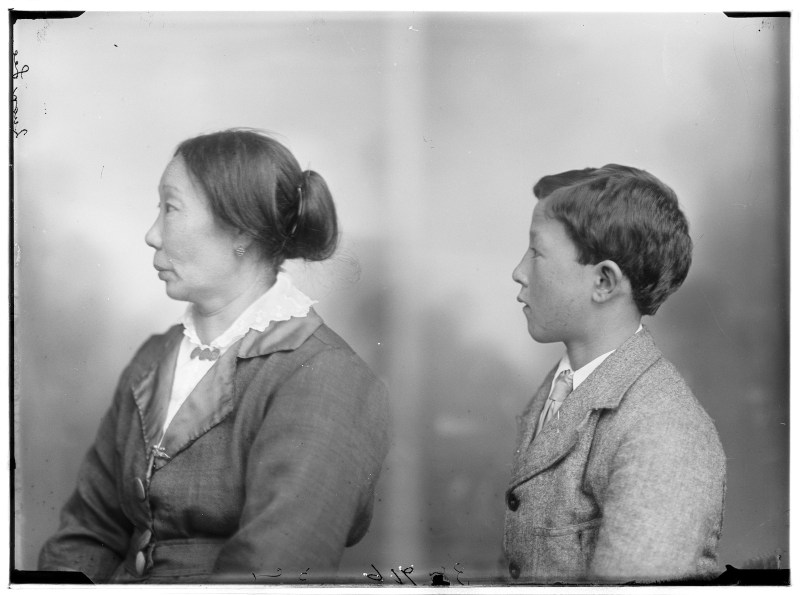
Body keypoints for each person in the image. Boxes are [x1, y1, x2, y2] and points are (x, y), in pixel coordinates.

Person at [38, 129, 390, 583]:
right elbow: (88, 531)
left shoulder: (325, 376)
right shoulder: (153, 358)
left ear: (240, 231)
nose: (151, 235)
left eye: (170, 208)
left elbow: (274, 569)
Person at [504, 165, 726, 584]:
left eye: (536, 252)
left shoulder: (662, 429)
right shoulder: (559, 387)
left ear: (604, 281)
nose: (519, 271)